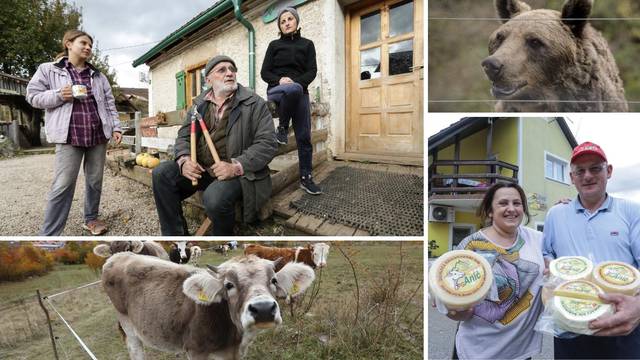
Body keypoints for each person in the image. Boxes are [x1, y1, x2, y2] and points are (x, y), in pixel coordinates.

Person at [152, 55, 277, 236]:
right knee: (161, 174)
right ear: (208, 79)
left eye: (232, 69)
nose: (229, 73)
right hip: (203, 169)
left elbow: (267, 143)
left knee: (214, 198)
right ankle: (177, 238)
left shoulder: (254, 103)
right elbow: (183, 137)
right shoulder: (199, 105)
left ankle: (222, 240)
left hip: (238, 175)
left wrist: (235, 167)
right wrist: (185, 160)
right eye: (222, 70)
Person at [543, 141, 640, 359]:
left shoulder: (632, 211)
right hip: (569, 325)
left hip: (622, 327)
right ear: (572, 177)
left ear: (609, 171)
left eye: (595, 168)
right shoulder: (555, 215)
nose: (587, 176)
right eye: (580, 171)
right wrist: (549, 267)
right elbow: (547, 255)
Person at [26, 30, 122, 236]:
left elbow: (109, 103)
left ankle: (91, 219)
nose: (88, 47)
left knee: (95, 181)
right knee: (63, 184)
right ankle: (50, 234)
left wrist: (116, 127)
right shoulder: (48, 70)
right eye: (83, 43)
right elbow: (33, 97)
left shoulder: (98, 75)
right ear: (69, 44)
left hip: (97, 135)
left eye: (90, 45)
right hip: (69, 136)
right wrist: (59, 95)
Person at [447, 182, 544, 360]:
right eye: (503, 203)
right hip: (476, 350)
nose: (511, 208)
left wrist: (564, 210)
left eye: (517, 203)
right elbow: (453, 300)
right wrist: (457, 310)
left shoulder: (537, 240)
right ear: (490, 211)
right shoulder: (470, 247)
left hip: (520, 352)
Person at [260, 7, 321, 195]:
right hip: (277, 91)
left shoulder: (308, 45)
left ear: (296, 21)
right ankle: (283, 128)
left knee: (304, 138)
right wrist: (279, 80)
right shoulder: (274, 46)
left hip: (300, 91)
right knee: (292, 89)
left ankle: (306, 178)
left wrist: (298, 83)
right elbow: (265, 72)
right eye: (282, 21)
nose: (286, 23)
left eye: (290, 19)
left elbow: (312, 71)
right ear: (280, 26)